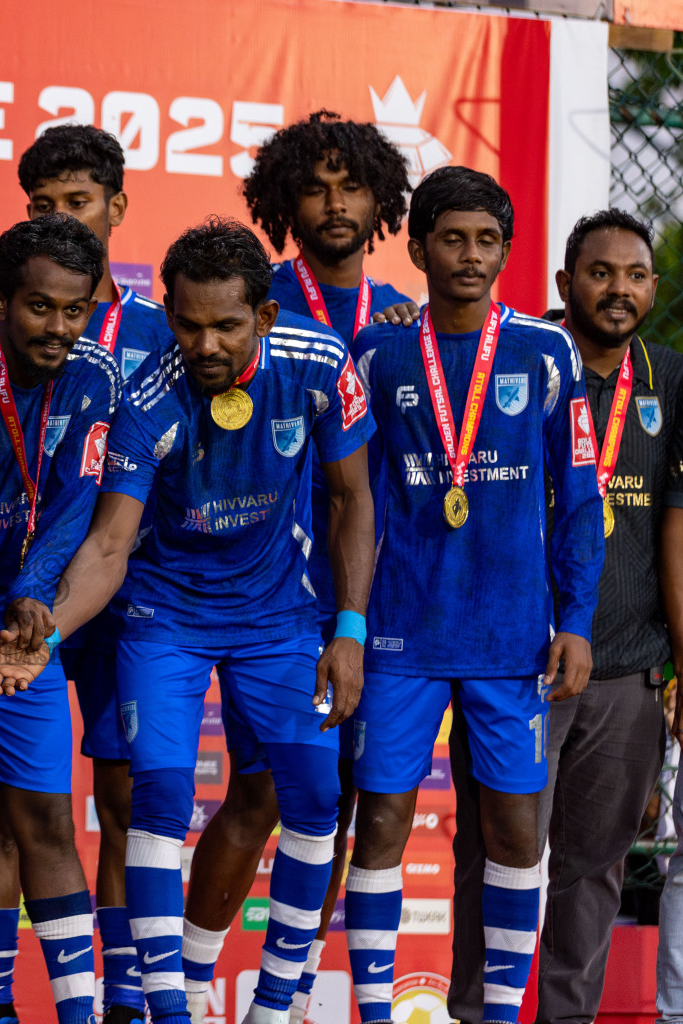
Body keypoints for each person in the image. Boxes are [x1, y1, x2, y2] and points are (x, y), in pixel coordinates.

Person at [0, 217, 376, 1024]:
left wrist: (350, 630)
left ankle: (273, 1009)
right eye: (188, 324)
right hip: (165, 616)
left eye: (227, 325)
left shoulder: (320, 364)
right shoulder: (143, 393)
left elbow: (353, 499)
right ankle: (169, 1010)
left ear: (264, 318)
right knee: (158, 798)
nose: (204, 344)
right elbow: (110, 543)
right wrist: (48, 634)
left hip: (280, 619)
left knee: (314, 799)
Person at [344, 166, 603, 1024]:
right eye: (451, 238)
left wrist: (578, 622)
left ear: (507, 252)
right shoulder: (378, 353)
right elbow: (347, 499)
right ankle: (375, 1011)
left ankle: (498, 1012)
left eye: (487, 240)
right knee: (381, 820)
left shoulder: (546, 350)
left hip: (513, 638)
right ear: (416, 248)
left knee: (514, 834)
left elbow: (580, 499)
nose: (470, 255)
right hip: (400, 636)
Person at [179, 110, 416, 1024]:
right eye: (313, 186)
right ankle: (190, 986)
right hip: (271, 595)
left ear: (380, 199)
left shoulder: (407, 320)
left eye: (351, 185)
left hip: (375, 594)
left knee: (346, 802)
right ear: (283, 199)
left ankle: (288, 1003)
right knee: (262, 791)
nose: (334, 203)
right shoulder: (246, 301)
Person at [451, 211, 670, 1023]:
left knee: (593, 871)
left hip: (626, 669)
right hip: (514, 665)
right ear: (563, 284)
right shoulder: (510, 360)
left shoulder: (669, 381)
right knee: (494, 857)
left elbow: (676, 533)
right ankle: (479, 1014)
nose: (618, 289)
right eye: (600, 272)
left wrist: (674, 667)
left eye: (635, 274)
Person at [12, 123, 174, 1024]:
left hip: (123, 593)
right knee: (12, 799)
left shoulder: (159, 329)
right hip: (9, 592)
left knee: (121, 796)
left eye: (78, 203)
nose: (63, 218)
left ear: (117, 207)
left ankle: (121, 998)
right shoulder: (7, 324)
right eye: (43, 207)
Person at [0, 216, 119, 1024]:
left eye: (75, 310)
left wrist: (35, 597)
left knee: (42, 815)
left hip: (22, 622)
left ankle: (74, 1014)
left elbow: (76, 504)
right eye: (39, 307)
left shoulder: (96, 377)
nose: (58, 328)